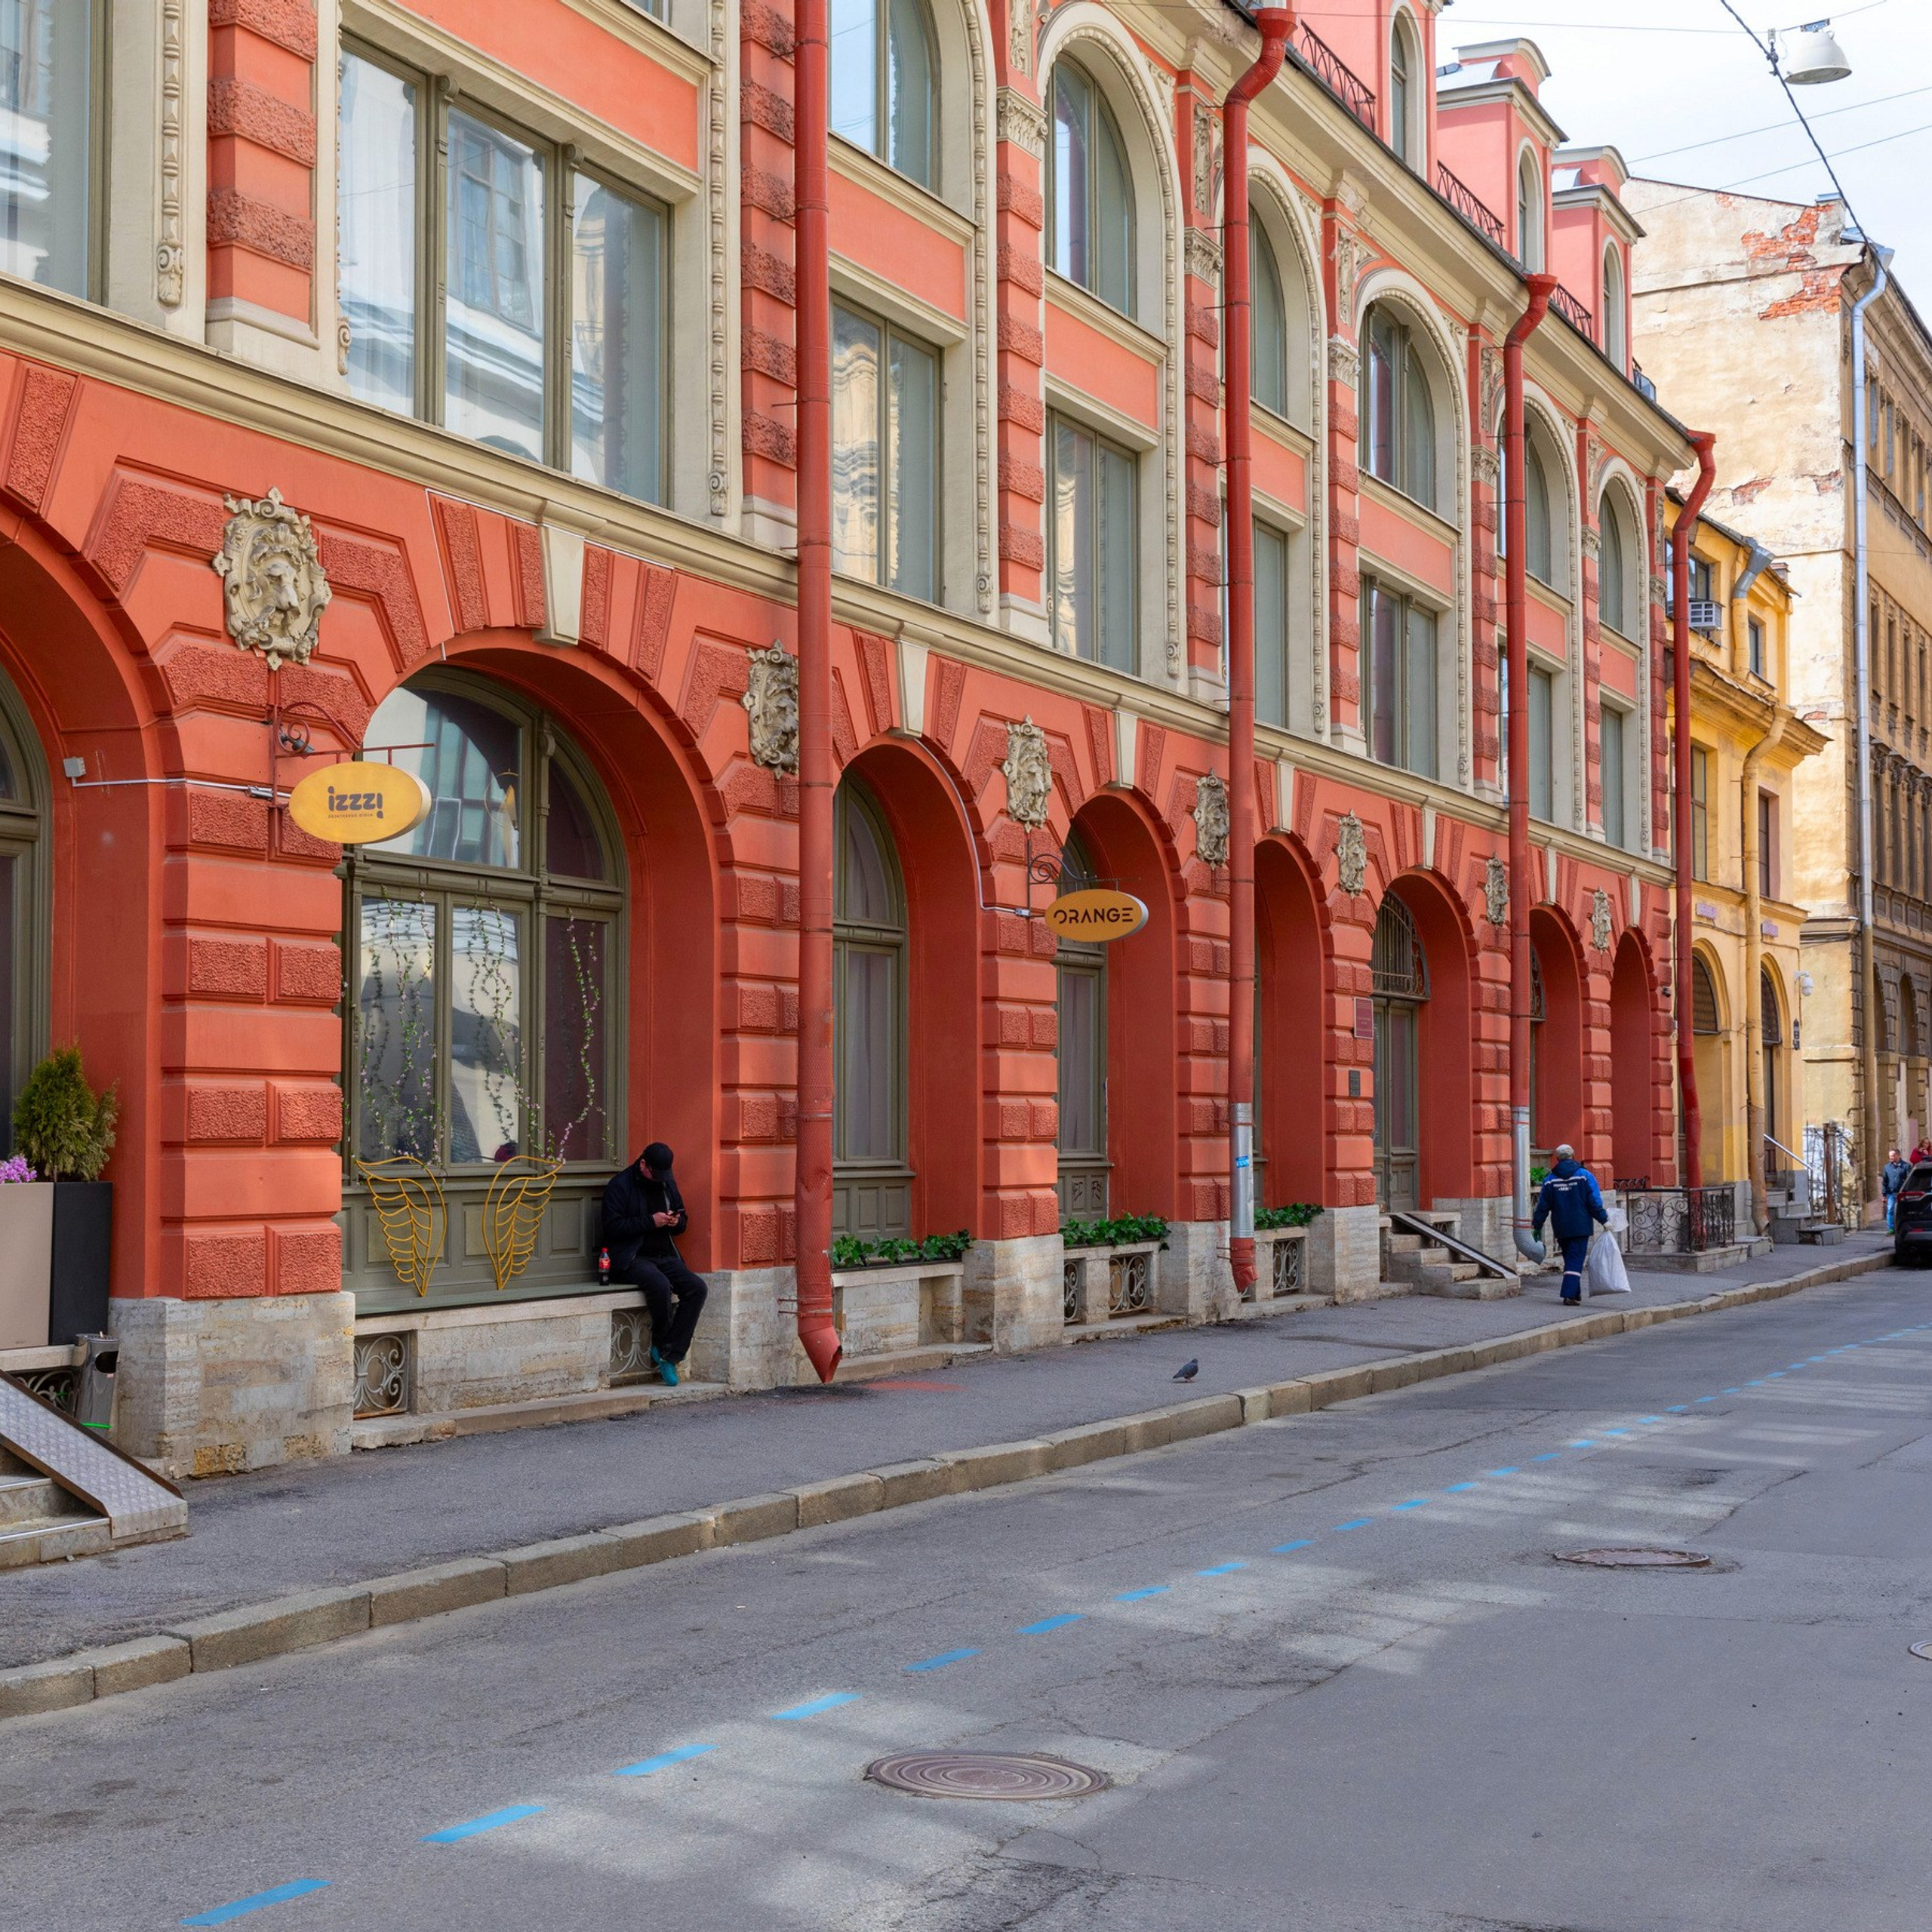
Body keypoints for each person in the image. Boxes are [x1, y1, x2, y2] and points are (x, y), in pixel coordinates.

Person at [601, 1142, 706, 1386]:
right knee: (660, 1285)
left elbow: (683, 1221)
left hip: (664, 1255)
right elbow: (612, 1228)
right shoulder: (620, 1185)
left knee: (697, 1288)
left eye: (663, 1175)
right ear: (643, 1165)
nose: (659, 1179)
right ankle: (661, 1346)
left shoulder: (666, 1182)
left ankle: (669, 1353)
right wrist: (651, 1222)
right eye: (654, 1173)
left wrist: (675, 1222)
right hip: (631, 1257)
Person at [1532, 1143, 1610, 1307]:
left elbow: (1543, 1206)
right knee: (1575, 1261)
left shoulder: (1550, 1180)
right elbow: (1594, 1202)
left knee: (1570, 1259)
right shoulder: (1584, 1176)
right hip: (1581, 1226)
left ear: (1558, 1159)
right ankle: (1568, 1295)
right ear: (1573, 1156)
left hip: (1561, 1227)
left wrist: (1537, 1226)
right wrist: (1604, 1220)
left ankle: (1575, 1294)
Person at [1882, 1147, 1909, 1231]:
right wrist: (1884, 1195)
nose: (1891, 1158)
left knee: (1903, 1211)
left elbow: (1909, 1180)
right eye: (1890, 1156)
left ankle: (1902, 1228)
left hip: (1902, 1193)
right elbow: (1884, 1181)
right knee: (1890, 1210)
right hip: (1891, 1193)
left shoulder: (1906, 1166)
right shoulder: (1887, 1167)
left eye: (1893, 1156)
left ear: (1898, 1155)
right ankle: (1891, 1228)